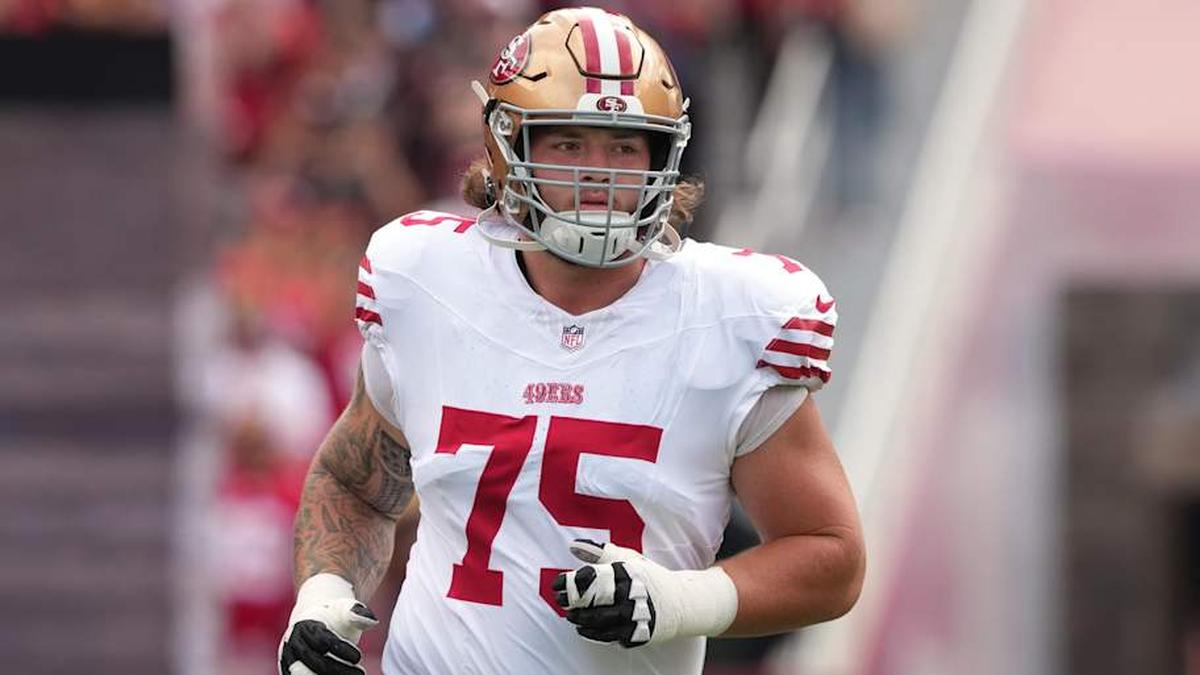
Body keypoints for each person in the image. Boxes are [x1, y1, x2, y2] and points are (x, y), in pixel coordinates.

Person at [277, 7, 865, 675]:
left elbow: (831, 553)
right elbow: (354, 482)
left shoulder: (730, 317)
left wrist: (680, 600)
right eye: (569, 144)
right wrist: (323, 594)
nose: (599, 174)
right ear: (510, 148)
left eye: (623, 147)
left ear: (663, 158)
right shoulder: (428, 281)